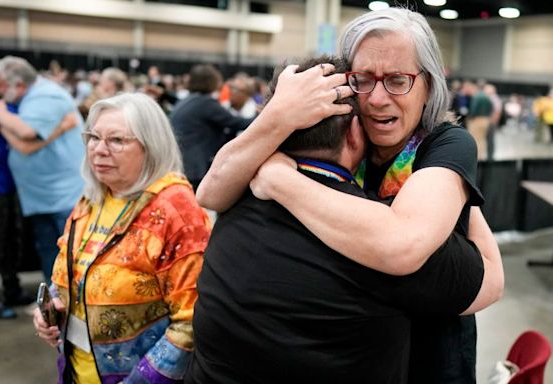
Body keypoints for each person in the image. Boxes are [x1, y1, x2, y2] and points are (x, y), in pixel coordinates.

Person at [197, 7, 498, 383]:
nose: (376, 99)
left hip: (431, 348)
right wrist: (278, 115)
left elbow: (403, 245)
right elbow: (211, 191)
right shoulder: (340, 134)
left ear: (429, 86)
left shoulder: (444, 144)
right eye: (363, 79)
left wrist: (278, 180)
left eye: (398, 80)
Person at [32, 93, 211, 384]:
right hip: (78, 371)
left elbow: (191, 322)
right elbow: (69, 272)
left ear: (151, 147)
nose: (99, 150)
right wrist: (51, 308)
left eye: (116, 140)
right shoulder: (94, 198)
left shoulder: (176, 211)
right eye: (93, 137)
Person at [0, 63, 76, 319]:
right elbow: (25, 143)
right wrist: (63, 127)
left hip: (0, 186)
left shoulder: (7, 109)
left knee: (10, 242)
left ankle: (11, 291)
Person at [0, 56, 85, 285]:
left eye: (1, 84)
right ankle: (53, 302)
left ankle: (74, 306)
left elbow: (26, 136)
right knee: (48, 250)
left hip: (63, 195)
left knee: (71, 254)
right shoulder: (30, 97)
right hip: (43, 195)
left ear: (19, 84)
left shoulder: (46, 95)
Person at [170, 64, 254, 191]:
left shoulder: (189, 100)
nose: (230, 92)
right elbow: (236, 123)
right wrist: (264, 116)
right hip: (194, 166)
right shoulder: (206, 103)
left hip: (183, 163)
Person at [466, 81, 494, 159]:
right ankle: (480, 156)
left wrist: (470, 117)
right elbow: (491, 108)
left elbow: (473, 109)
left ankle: (476, 157)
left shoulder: (477, 96)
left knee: (475, 139)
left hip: (477, 120)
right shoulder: (487, 97)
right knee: (482, 139)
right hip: (485, 120)